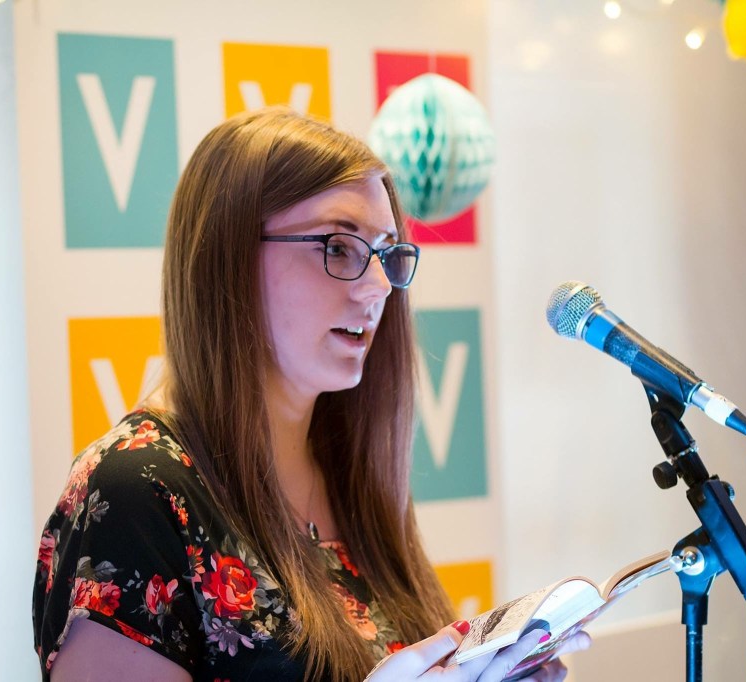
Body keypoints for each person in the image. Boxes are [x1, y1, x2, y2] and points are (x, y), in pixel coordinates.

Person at [32, 107, 590, 681]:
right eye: (339, 247)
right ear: (227, 256)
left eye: (386, 253)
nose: (378, 287)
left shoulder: (351, 472)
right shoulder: (135, 489)